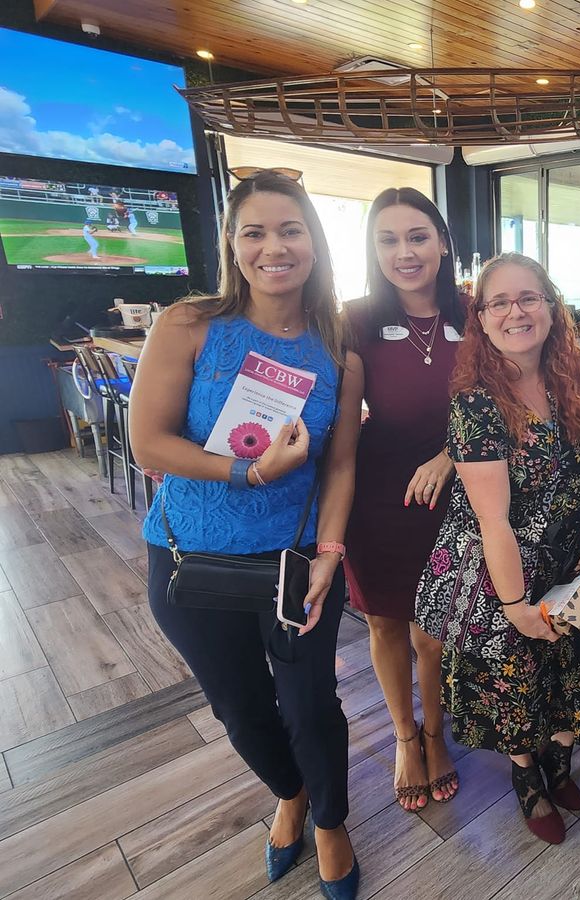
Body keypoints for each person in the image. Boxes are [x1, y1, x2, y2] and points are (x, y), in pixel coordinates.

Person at [129, 171, 365, 899]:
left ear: (314, 244)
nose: (274, 247)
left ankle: (328, 820)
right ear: (233, 244)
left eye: (290, 229)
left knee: (310, 705)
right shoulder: (190, 325)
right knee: (239, 707)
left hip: (293, 562)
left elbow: (341, 468)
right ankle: (288, 793)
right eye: (254, 232)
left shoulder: (339, 353)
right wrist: (250, 472)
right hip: (186, 556)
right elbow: (148, 444)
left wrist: (331, 552)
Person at [414, 253, 580, 845]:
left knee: (571, 664)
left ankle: (559, 756)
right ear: (481, 317)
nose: (515, 312)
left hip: (575, 553)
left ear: (551, 306)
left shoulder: (576, 372)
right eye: (498, 302)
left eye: (528, 298)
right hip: (504, 568)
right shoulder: (477, 401)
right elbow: (494, 521)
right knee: (519, 672)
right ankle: (527, 775)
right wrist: (515, 607)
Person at [342, 188, 466, 813]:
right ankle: (404, 737)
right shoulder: (355, 317)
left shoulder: (474, 313)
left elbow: (504, 397)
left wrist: (451, 453)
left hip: (454, 495)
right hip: (378, 495)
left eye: (417, 236)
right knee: (386, 622)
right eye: (387, 239)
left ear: (442, 242)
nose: (404, 252)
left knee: (433, 631)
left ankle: (438, 733)